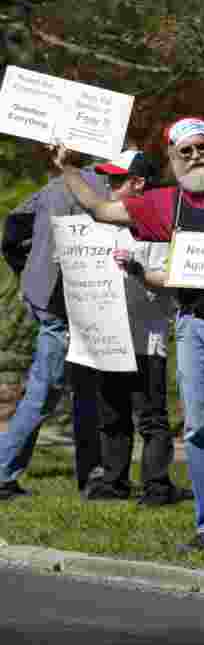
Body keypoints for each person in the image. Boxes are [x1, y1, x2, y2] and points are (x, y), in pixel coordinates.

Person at [55, 116, 204, 551]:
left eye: (201, 147)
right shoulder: (165, 203)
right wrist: (70, 169)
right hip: (194, 329)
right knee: (201, 429)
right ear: (172, 159)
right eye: (184, 151)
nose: (195, 156)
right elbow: (101, 210)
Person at [75, 150, 192, 506]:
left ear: (138, 183)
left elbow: (170, 283)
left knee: (151, 416)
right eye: (107, 179)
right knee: (112, 414)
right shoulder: (101, 227)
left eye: (116, 179)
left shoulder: (155, 228)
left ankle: (156, 485)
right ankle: (113, 481)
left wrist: (136, 272)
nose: (108, 185)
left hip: (146, 340)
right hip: (109, 338)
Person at [0, 157, 107, 500]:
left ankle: (93, 475)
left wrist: (29, 273)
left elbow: (12, 231)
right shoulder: (105, 191)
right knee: (49, 392)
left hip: (52, 301)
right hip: (68, 306)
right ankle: (3, 474)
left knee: (66, 392)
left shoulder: (52, 187)